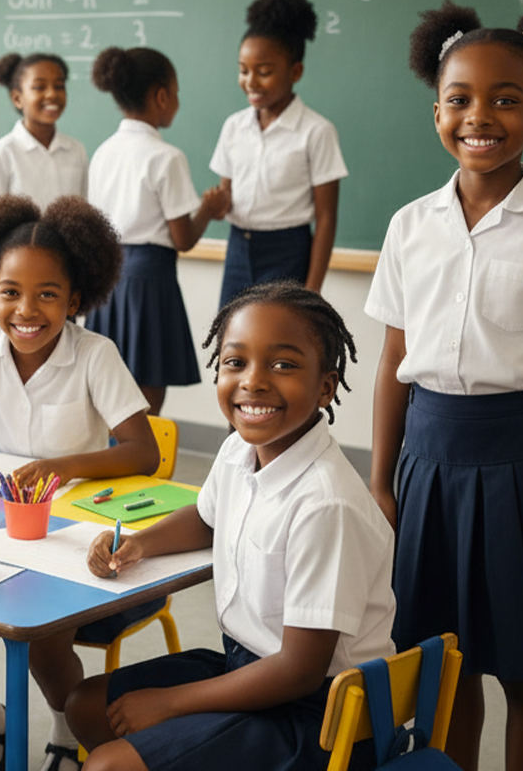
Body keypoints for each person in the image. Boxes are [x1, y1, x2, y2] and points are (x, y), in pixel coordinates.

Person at [366, 1, 523, 771]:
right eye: (461, 99)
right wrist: (380, 484)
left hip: (522, 466)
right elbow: (391, 365)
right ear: (436, 110)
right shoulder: (409, 225)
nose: (481, 117)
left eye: (506, 99)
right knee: (445, 661)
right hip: (427, 463)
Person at [65, 281, 395, 771]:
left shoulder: (327, 505)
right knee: (87, 706)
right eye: (235, 362)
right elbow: (205, 518)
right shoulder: (240, 450)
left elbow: (300, 670)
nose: (254, 381)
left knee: (107, 765)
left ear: (326, 386)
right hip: (246, 665)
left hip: (318, 717)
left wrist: (171, 703)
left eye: (283, 365)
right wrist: (138, 544)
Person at [0, 194, 161, 771]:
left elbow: (142, 451)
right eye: (10, 293)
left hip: (75, 534)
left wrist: (63, 465)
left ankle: (65, 736)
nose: (27, 310)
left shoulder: (96, 354)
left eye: (48, 294)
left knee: (42, 635)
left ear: (75, 299)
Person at [85, 46, 230, 416]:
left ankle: (112, 461)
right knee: (147, 398)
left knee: (109, 389)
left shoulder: (103, 151)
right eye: (176, 92)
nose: (177, 100)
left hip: (108, 280)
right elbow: (183, 239)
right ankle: (137, 466)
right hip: (149, 279)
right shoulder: (166, 157)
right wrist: (208, 210)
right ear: (161, 95)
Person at [210, 0, 347, 305]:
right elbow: (226, 198)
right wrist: (214, 205)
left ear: (295, 72)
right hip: (238, 249)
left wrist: (313, 289)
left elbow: (326, 218)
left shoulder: (317, 131)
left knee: (279, 342)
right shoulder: (234, 126)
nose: (251, 81)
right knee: (231, 337)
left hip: (288, 252)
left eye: (264, 71)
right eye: (243, 70)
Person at [0, 52, 88, 324]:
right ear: (17, 98)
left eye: (59, 86)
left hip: (55, 279)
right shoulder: (3, 152)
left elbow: (81, 215)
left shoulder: (76, 151)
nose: (52, 94)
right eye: (39, 87)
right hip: (13, 280)